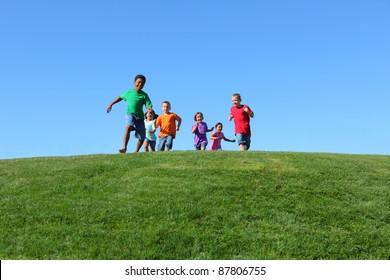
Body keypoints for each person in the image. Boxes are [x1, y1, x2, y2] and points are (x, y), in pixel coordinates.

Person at [106, 74, 153, 153]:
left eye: (142, 83)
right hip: (130, 113)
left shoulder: (144, 95)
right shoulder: (129, 92)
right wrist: (111, 104)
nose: (140, 84)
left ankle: (136, 151)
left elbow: (148, 104)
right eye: (139, 82)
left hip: (140, 117)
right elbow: (120, 98)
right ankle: (124, 147)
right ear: (134, 83)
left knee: (142, 137)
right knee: (128, 127)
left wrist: (149, 108)